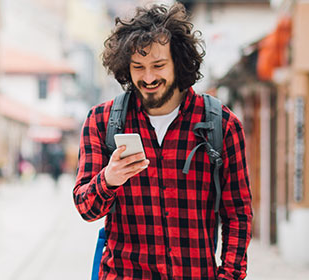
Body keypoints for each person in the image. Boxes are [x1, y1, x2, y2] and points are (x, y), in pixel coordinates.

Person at [73, 3, 252, 279]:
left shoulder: (221, 125)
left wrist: (229, 275)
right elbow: (86, 208)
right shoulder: (101, 121)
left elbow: (238, 214)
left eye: (158, 65)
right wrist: (109, 179)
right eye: (138, 67)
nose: (148, 77)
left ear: (178, 63)